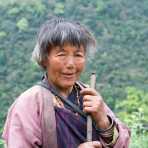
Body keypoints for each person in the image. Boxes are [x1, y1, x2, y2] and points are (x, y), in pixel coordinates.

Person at [2, 17, 130, 148]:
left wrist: (103, 120)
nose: (70, 64)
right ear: (44, 59)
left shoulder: (89, 95)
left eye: (78, 55)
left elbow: (122, 144)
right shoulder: (28, 104)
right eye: (61, 54)